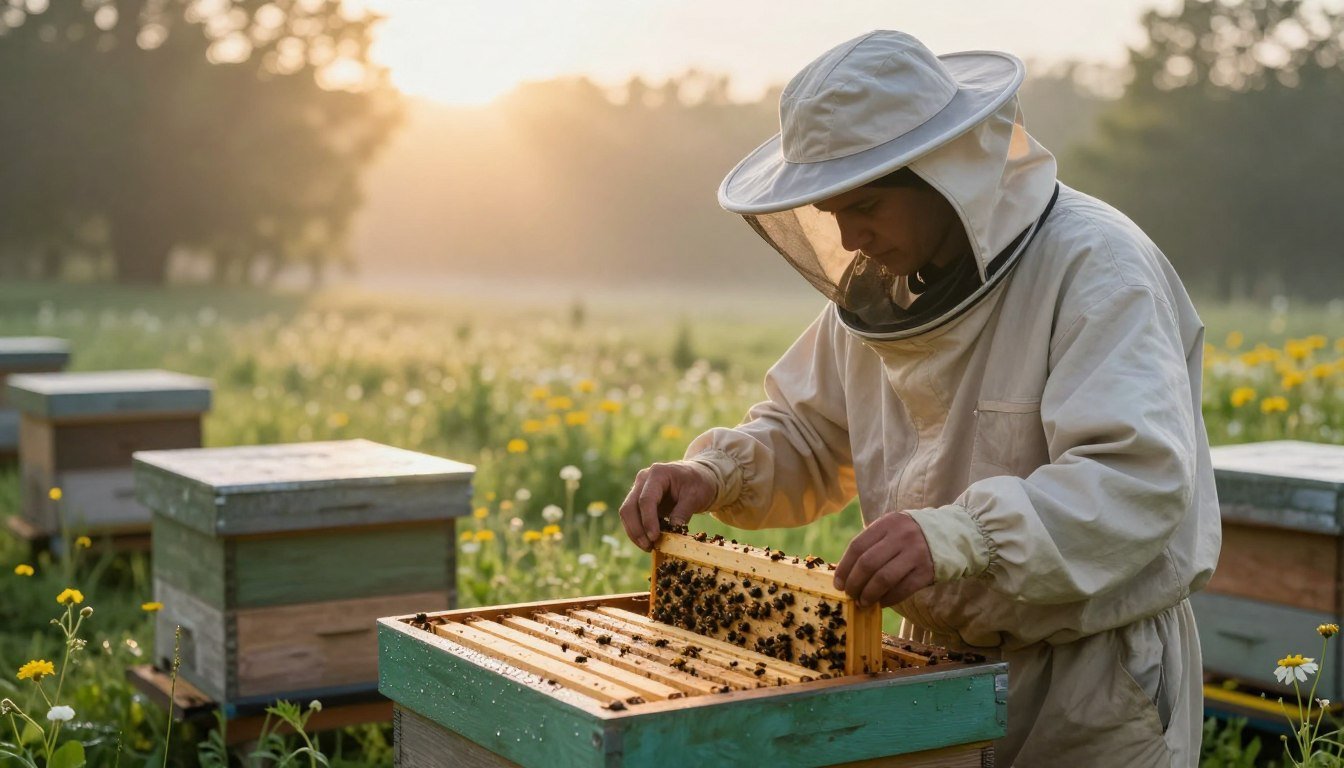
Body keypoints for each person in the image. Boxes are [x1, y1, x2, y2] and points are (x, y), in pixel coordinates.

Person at [618, 30, 1220, 767]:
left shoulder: (1096, 268)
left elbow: (1135, 480)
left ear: (947, 172)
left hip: (1090, 678)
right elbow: (807, 434)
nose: (846, 235)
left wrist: (959, 535)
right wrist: (715, 473)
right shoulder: (885, 291)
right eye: (829, 209)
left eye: (865, 203)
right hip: (934, 663)